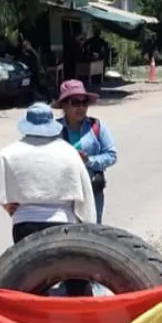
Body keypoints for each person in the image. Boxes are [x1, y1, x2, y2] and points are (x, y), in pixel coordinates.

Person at [0, 102, 96, 244]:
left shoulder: (10, 152)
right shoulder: (68, 152)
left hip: (24, 224)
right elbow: (84, 191)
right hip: (62, 224)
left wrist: (5, 203)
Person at [54, 80, 117, 225]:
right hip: (64, 192)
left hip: (92, 191)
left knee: (93, 231)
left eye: (84, 103)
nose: (81, 107)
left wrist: (89, 161)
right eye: (75, 102)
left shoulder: (96, 126)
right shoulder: (54, 130)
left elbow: (111, 155)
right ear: (64, 104)